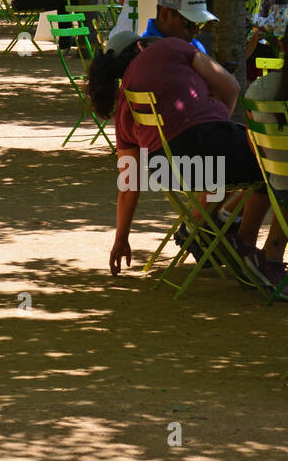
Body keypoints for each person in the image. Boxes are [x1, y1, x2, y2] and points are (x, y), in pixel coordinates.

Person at [88, 29, 266, 282]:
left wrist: (121, 239)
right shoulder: (170, 47)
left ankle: (208, 226)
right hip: (208, 149)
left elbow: (129, 183)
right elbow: (232, 87)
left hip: (169, 172)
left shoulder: (124, 106)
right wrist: (217, 115)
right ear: (140, 47)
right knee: (272, 160)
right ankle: (248, 247)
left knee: (229, 168)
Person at [242, 13, 288, 292]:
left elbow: (252, 142)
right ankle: (270, 256)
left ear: (283, 46)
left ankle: (268, 255)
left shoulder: (260, 88)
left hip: (277, 182)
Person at [140, 0, 212, 54]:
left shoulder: (196, 46)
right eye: (189, 24)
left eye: (200, 24)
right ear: (165, 14)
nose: (197, 31)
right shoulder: (144, 51)